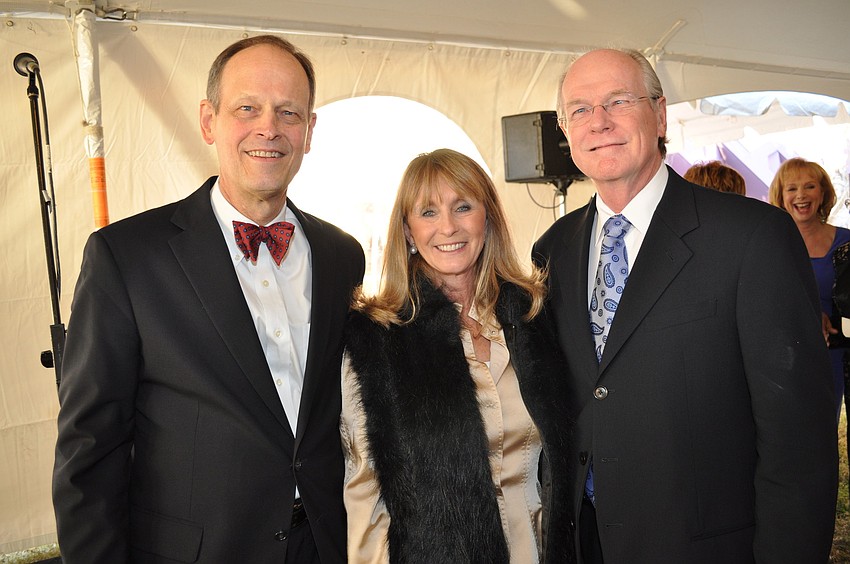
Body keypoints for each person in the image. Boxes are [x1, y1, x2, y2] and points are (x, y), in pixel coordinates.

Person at [52, 35, 365, 563]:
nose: (269, 127)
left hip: (326, 546)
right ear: (208, 120)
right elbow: (91, 449)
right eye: (248, 108)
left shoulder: (342, 256)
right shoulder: (126, 257)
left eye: (289, 112)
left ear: (309, 132)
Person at [532, 48, 837, 563]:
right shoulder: (553, 250)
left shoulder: (751, 238)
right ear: (564, 129)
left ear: (660, 112)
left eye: (618, 101)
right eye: (579, 110)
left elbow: (799, 445)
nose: (598, 122)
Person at [340, 148, 573, 563]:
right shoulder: (375, 341)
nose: (448, 227)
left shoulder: (533, 317)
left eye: (463, 206)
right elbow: (365, 499)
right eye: (428, 212)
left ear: (488, 218)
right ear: (408, 232)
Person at [769, 156, 850, 420]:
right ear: (780, 197)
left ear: (823, 191)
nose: (801, 195)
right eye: (792, 188)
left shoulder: (846, 242)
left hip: (839, 357)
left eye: (810, 186)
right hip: (789, 358)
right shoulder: (768, 245)